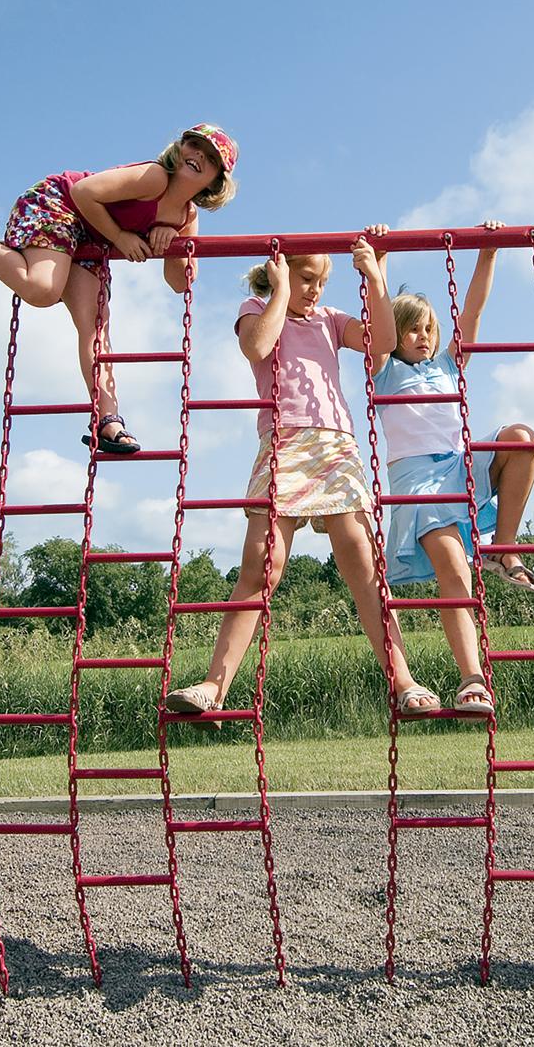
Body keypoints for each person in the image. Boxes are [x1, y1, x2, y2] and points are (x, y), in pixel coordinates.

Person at [165, 230, 439, 720]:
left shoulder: (331, 321)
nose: (315, 289)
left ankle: (403, 680)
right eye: (306, 277)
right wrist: (281, 293)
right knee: (261, 568)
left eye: (322, 281)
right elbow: (258, 347)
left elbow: (383, 342)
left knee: (363, 567)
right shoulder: (256, 308)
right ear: (280, 272)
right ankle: (214, 684)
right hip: (285, 444)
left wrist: (375, 275)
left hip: (335, 444)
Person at [0, 124, 240, 453]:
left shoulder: (185, 216)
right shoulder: (155, 177)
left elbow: (179, 282)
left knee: (96, 322)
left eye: (210, 158)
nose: (197, 156)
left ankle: (108, 420)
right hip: (56, 204)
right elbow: (83, 193)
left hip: (90, 237)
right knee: (42, 289)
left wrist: (172, 240)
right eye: (194, 146)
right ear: (180, 147)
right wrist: (122, 237)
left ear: (216, 181)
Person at [366, 220, 534, 718]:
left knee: (522, 440)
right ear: (394, 334)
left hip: (461, 468)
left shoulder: (447, 365)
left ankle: (503, 549)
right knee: (454, 569)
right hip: (418, 485)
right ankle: (472, 679)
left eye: (428, 328)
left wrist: (487, 252)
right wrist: (379, 258)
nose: (422, 336)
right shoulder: (384, 369)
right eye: (411, 329)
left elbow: (476, 309)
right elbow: (375, 317)